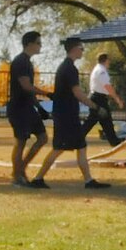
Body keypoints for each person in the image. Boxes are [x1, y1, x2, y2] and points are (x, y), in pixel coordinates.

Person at [30, 37, 113, 190]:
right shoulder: (69, 68)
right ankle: (38, 178)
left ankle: (88, 180)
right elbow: (77, 93)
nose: (83, 51)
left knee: (79, 146)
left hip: (67, 114)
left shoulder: (67, 67)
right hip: (65, 115)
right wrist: (96, 107)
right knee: (59, 148)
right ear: (74, 49)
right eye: (81, 48)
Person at [6, 31, 47, 186]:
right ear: (29, 44)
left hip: (28, 107)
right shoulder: (20, 62)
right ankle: (17, 176)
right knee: (21, 142)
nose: (40, 46)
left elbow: (29, 90)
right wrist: (48, 93)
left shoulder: (28, 62)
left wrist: (39, 107)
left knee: (43, 138)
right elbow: (26, 86)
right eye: (38, 43)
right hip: (18, 108)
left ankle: (20, 168)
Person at [86, 51, 126, 147]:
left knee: (105, 120)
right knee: (93, 120)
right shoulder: (102, 71)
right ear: (106, 60)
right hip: (98, 98)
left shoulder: (98, 69)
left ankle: (114, 140)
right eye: (108, 60)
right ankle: (78, 136)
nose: (109, 62)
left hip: (97, 97)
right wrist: (117, 99)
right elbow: (107, 86)